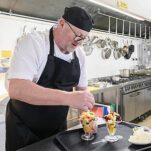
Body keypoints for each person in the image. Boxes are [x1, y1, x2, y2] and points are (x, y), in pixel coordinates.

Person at [5, 6, 95, 151]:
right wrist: (69, 98)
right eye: (77, 35)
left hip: (57, 129)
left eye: (83, 38)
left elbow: (82, 90)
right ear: (61, 23)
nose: (79, 41)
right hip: (24, 130)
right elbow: (17, 88)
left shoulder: (80, 55)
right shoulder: (33, 43)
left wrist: (87, 120)